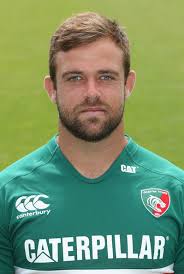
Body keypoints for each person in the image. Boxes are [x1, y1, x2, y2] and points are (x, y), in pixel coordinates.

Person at [0, 12, 183, 274]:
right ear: (52, 88)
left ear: (128, 84)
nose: (92, 93)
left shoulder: (176, 192)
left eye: (106, 77)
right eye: (75, 78)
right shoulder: (7, 194)